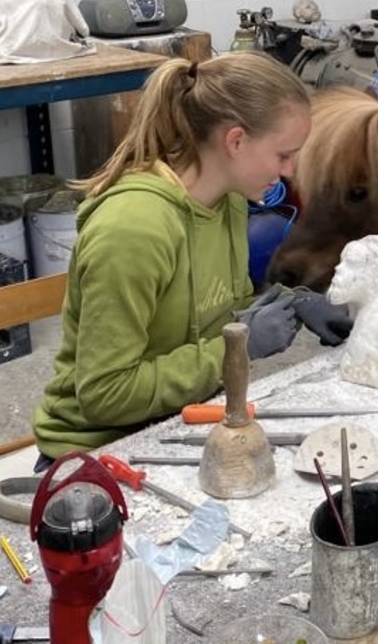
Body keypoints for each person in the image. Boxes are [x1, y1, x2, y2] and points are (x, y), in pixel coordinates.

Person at [32, 51, 352, 465]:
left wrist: (295, 300)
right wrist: (235, 350)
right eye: (283, 154)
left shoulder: (229, 201)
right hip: (98, 450)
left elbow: (213, 310)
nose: (290, 171)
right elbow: (104, 394)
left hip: (179, 422)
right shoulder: (133, 229)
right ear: (236, 141)